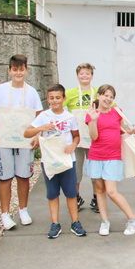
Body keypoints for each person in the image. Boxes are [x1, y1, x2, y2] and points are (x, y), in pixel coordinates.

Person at [0, 54, 43, 231]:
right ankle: (5, 213)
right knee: (5, 178)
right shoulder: (0, 90)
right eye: (15, 69)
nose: (18, 73)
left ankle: (23, 210)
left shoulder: (32, 92)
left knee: (23, 177)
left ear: (26, 70)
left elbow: (39, 115)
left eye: (21, 69)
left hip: (24, 141)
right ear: (10, 70)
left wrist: (37, 135)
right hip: (3, 141)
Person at [24, 84, 86, 239]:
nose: (55, 101)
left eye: (58, 97)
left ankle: (75, 222)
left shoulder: (70, 117)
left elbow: (76, 136)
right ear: (48, 99)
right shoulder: (44, 116)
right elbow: (27, 133)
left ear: (63, 98)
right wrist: (41, 128)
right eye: (51, 98)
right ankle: (55, 223)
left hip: (67, 160)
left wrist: (73, 145)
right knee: (52, 194)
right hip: (50, 160)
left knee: (71, 193)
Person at [85, 84, 135, 236]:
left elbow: (123, 130)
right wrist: (94, 120)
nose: (108, 99)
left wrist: (131, 131)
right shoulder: (91, 114)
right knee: (99, 190)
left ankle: (133, 218)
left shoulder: (117, 112)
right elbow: (94, 137)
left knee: (111, 191)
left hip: (113, 157)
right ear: (99, 96)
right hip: (96, 156)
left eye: (111, 96)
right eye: (105, 95)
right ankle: (104, 222)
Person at [64, 62, 98, 212]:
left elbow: (112, 108)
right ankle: (76, 197)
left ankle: (97, 198)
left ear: (92, 75)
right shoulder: (70, 93)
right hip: (76, 138)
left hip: (94, 137)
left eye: (87, 73)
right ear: (77, 75)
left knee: (95, 170)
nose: (84, 76)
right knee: (75, 171)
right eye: (81, 73)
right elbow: (60, 110)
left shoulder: (97, 93)